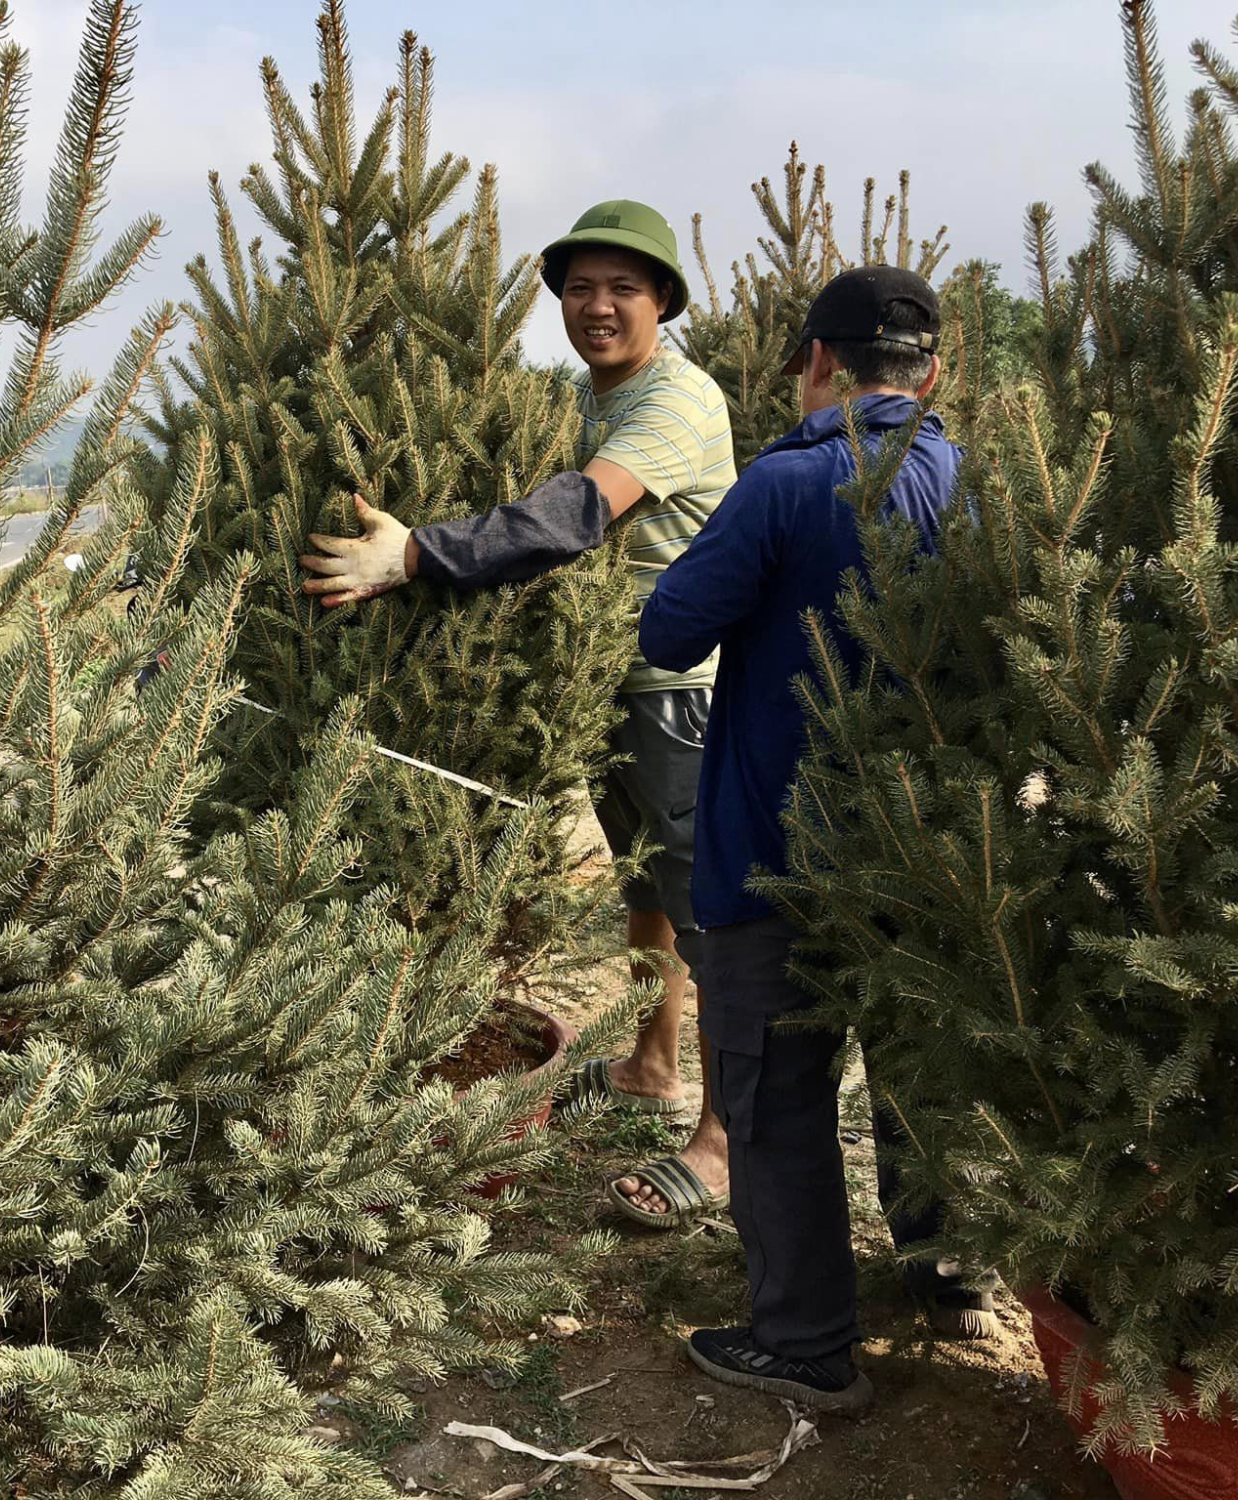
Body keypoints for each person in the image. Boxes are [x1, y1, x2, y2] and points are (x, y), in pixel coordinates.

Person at [298, 200, 737, 1230]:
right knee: (646, 891)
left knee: (706, 908)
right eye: (579, 286)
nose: (596, 306)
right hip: (610, 688)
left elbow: (573, 514)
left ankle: (719, 1142)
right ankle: (647, 1065)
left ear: (662, 302)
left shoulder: (672, 403)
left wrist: (410, 555)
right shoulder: (589, 400)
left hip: (679, 698)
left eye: (621, 288)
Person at [638, 265, 992, 1413]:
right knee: (920, 1071)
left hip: (778, 857)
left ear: (814, 365)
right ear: (928, 376)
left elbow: (671, 624)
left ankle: (803, 1343)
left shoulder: (781, 484)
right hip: (926, 850)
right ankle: (950, 1276)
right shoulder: (968, 482)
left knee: (776, 1093)